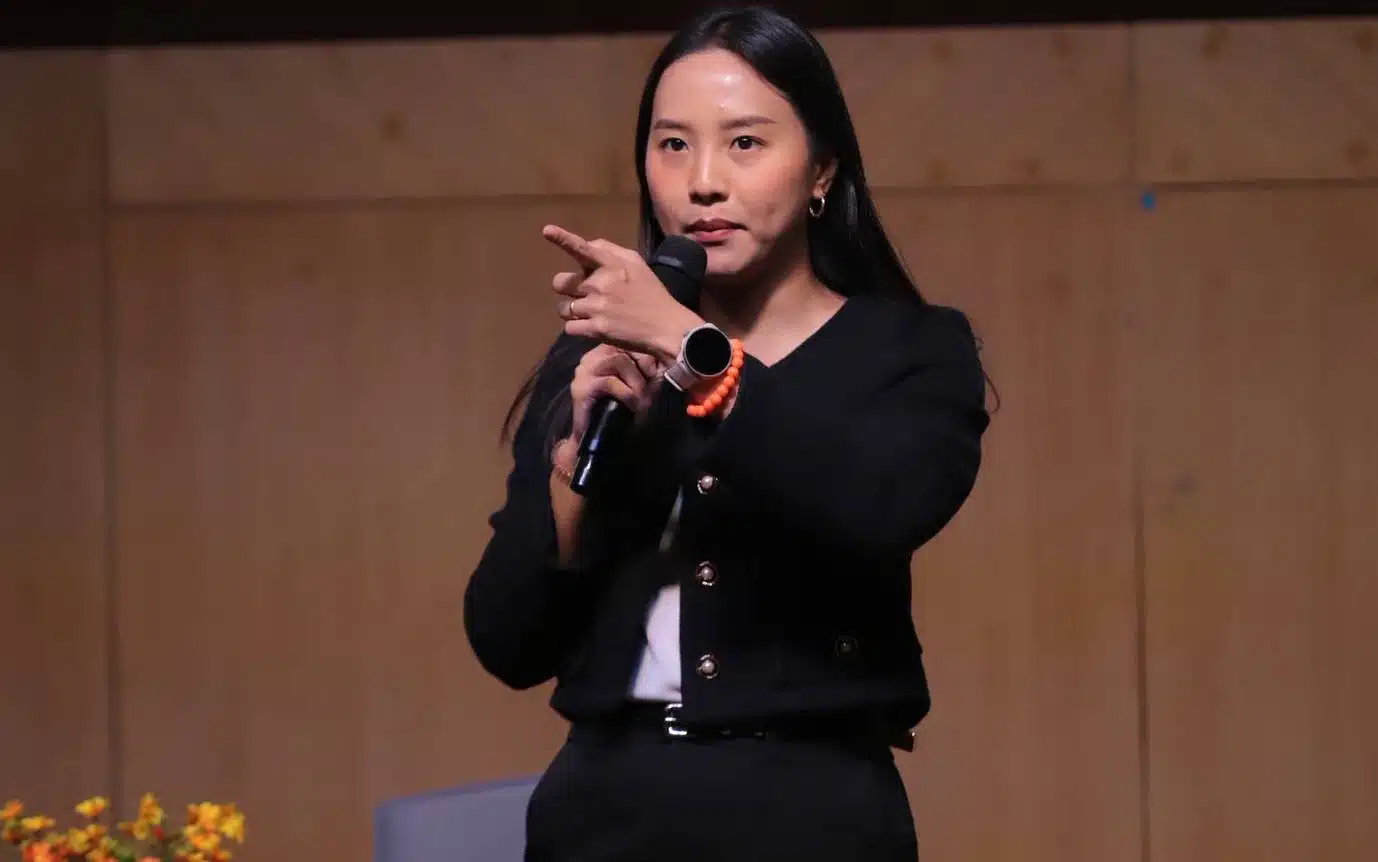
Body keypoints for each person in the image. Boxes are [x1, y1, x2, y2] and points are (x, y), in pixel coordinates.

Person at [463, 6, 991, 860]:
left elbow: (882, 506)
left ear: (822, 168)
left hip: (812, 809)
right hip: (601, 808)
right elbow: (506, 642)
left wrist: (693, 349)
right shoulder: (599, 355)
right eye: (673, 145)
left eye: (744, 142)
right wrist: (573, 474)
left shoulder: (910, 349)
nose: (703, 181)